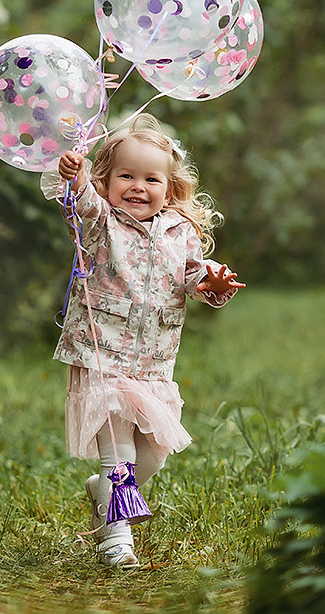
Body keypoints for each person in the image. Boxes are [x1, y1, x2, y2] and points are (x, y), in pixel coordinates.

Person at [41, 113, 244, 568]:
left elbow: (193, 277)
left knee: (152, 455)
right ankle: (116, 539)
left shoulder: (181, 232)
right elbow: (81, 204)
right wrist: (74, 177)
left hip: (154, 361)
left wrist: (213, 283)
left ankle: (102, 492)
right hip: (103, 351)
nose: (137, 186)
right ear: (107, 180)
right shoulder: (101, 224)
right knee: (120, 455)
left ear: (169, 189)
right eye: (125, 176)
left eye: (151, 178)